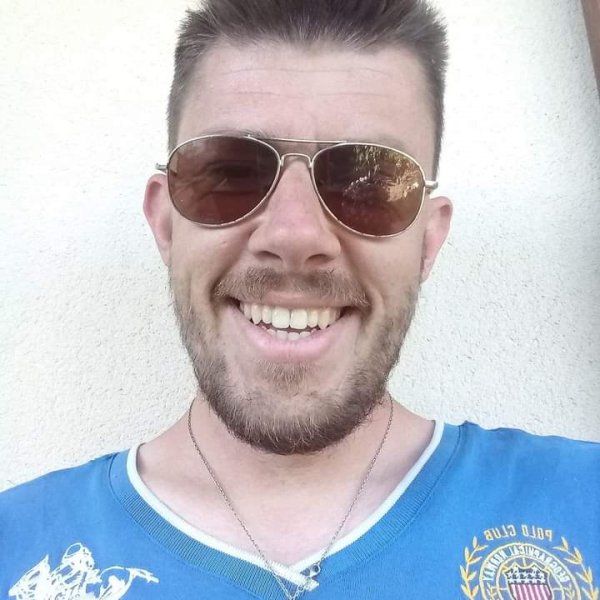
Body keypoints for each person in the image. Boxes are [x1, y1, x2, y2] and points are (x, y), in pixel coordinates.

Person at [1, 1, 598, 598]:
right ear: (165, 223)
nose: (295, 236)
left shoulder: (582, 504)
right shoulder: (17, 548)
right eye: (232, 174)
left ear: (427, 240)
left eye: (368, 183)